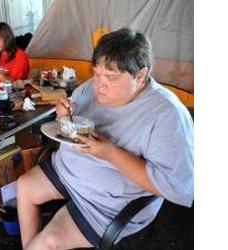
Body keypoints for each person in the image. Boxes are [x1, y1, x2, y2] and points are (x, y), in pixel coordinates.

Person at [16, 28, 193, 249]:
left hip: (105, 202)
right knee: (24, 186)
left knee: (47, 242)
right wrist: (64, 117)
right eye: (96, 73)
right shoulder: (90, 88)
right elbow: (71, 131)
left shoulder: (168, 115)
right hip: (69, 170)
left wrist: (111, 153)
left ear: (140, 75)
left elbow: (177, 188)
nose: (99, 85)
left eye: (111, 77)